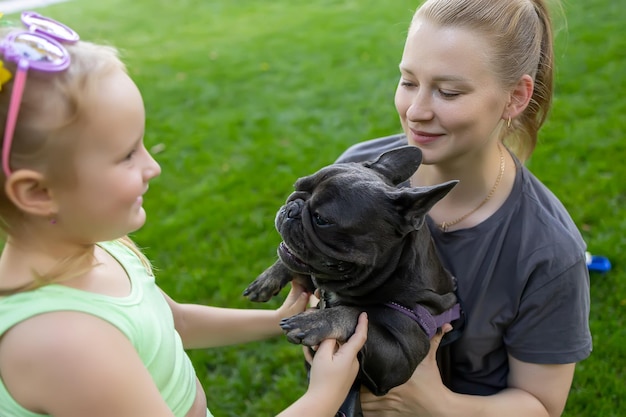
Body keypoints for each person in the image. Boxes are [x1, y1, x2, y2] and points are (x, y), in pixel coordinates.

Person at [0, 12, 368, 417]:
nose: (152, 167)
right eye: (126, 155)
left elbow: (173, 323)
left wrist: (277, 320)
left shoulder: (95, 245)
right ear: (37, 192)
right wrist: (323, 397)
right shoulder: (64, 341)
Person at [335, 0, 592, 416]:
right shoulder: (356, 175)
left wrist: (436, 405)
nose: (416, 111)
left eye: (448, 91)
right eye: (408, 81)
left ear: (515, 98)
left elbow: (541, 405)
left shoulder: (547, 252)